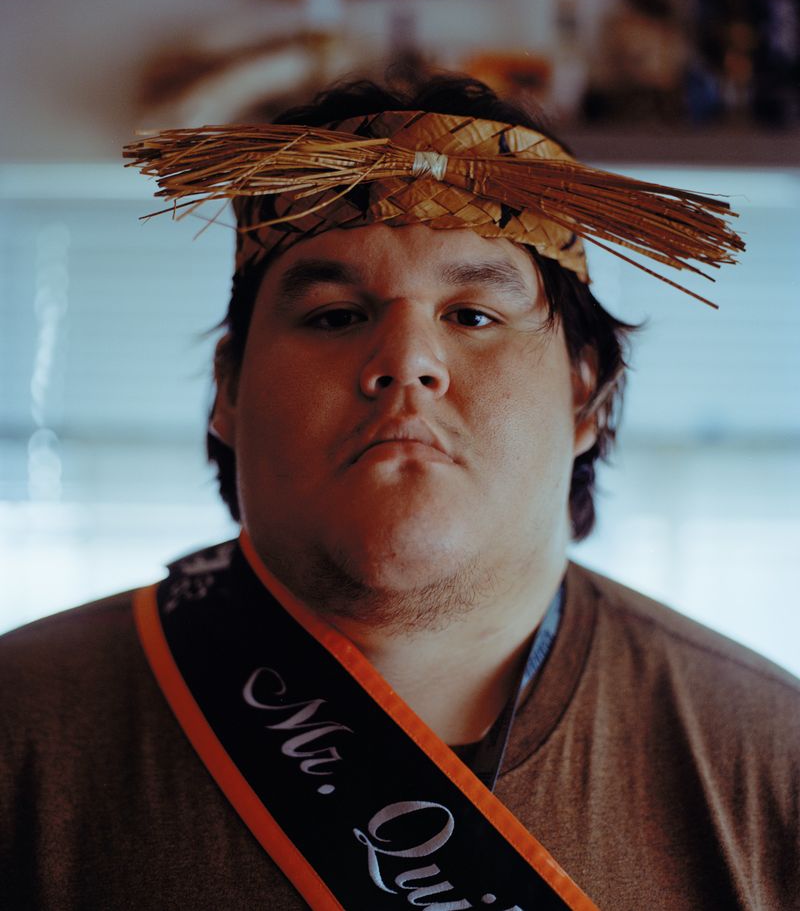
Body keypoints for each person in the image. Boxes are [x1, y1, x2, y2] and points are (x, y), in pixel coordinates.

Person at [1, 74, 797, 911]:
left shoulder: (771, 768)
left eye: (474, 315)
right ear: (228, 391)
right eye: (336, 315)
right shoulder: (24, 730)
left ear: (584, 395)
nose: (407, 361)